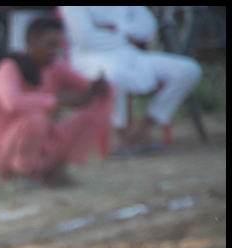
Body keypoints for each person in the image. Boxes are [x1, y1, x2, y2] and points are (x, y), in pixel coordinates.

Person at [0, 18, 113, 186]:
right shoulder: (9, 68)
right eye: (50, 45)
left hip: (44, 145)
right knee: (36, 118)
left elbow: (90, 88)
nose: (54, 51)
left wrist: (101, 88)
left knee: (101, 105)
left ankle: (56, 170)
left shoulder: (55, 67)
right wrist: (56, 101)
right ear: (31, 42)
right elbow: (12, 102)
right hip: (6, 153)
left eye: (58, 46)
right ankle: (24, 173)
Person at [61, 7, 202, 154]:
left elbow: (148, 28)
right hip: (90, 58)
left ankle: (142, 129)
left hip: (128, 53)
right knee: (115, 75)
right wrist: (125, 32)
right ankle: (123, 134)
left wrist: (116, 27)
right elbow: (87, 39)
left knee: (189, 70)